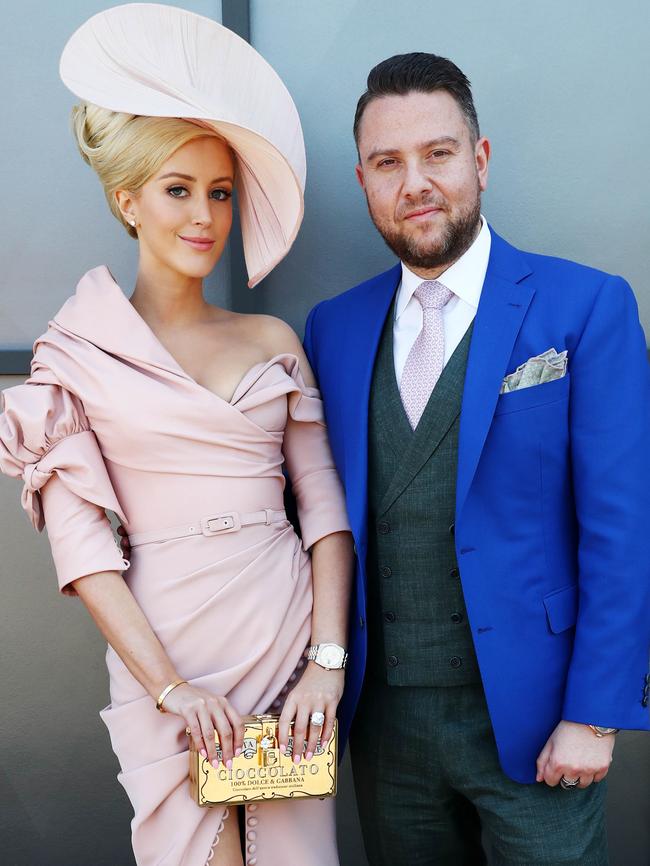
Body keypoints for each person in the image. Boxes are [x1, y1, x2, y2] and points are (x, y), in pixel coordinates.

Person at [0, 6, 353, 865]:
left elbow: (325, 513)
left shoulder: (273, 342)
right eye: (179, 188)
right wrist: (169, 686)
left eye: (221, 192)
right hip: (165, 652)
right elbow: (82, 554)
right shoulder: (75, 351)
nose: (205, 216)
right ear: (128, 199)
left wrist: (328, 661)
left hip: (286, 639)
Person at [303, 52, 650, 865]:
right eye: (388, 163)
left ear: (481, 161)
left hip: (540, 720)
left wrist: (595, 714)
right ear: (363, 180)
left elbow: (622, 526)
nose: (414, 181)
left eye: (438, 153)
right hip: (385, 729)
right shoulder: (334, 327)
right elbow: (314, 516)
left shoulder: (585, 305)